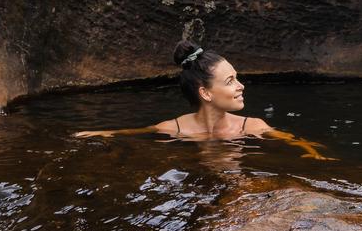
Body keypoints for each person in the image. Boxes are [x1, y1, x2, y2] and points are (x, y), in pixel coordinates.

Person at [73, 40, 332, 160]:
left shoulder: (250, 126)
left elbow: (296, 142)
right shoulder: (173, 128)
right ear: (205, 93)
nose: (241, 86)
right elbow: (133, 133)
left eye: (237, 78)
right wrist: (100, 133)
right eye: (230, 81)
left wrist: (313, 153)